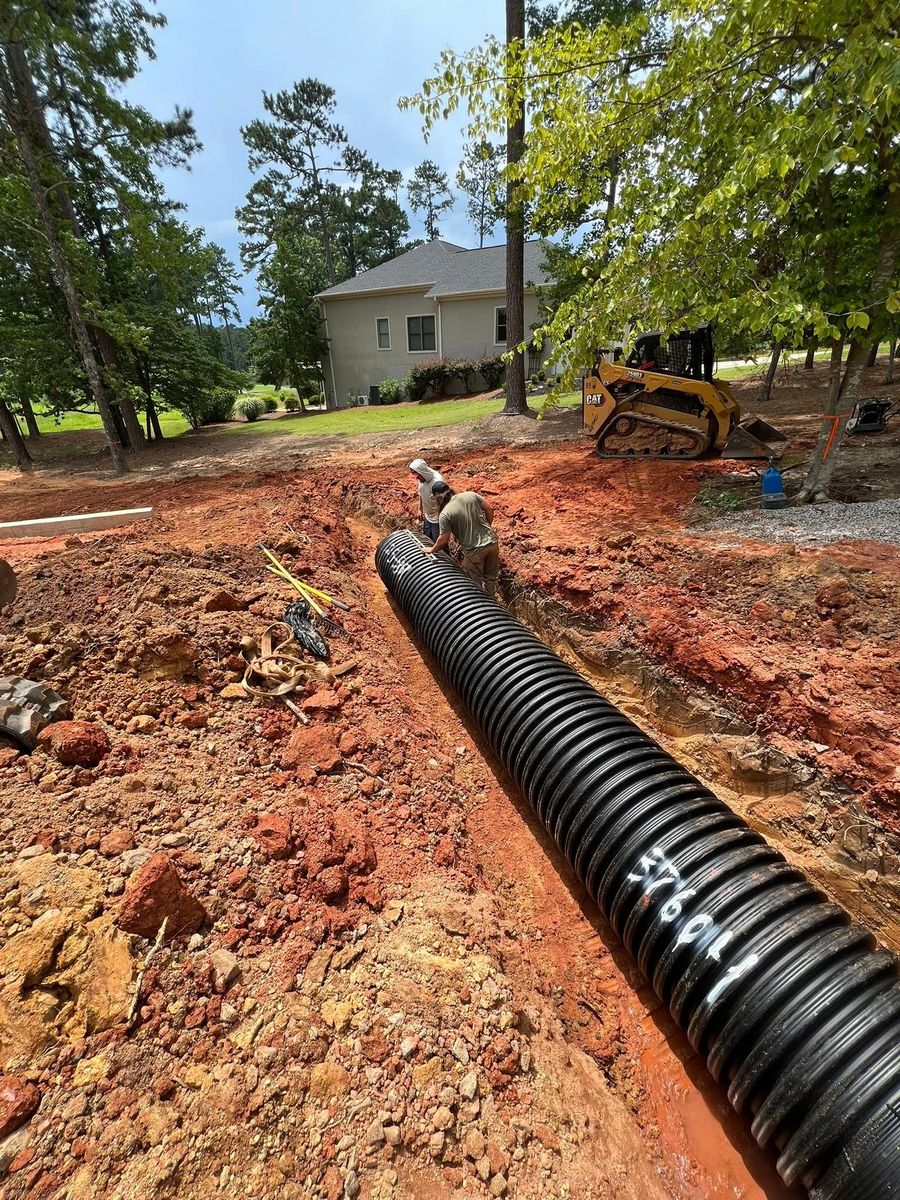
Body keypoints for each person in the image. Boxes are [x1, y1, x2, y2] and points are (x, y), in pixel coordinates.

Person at [423, 482, 500, 599]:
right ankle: (492, 604)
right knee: (490, 577)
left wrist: (432, 549)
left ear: (437, 497)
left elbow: (443, 540)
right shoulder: (470, 495)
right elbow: (489, 509)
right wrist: (488, 527)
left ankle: (480, 607)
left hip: (474, 551)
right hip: (492, 543)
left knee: (475, 583)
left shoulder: (445, 513)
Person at [408, 457, 445, 541]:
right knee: (427, 540)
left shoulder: (437, 482)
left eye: (417, 476)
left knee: (439, 546)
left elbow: (444, 502)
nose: (416, 478)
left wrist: (442, 520)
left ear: (422, 473)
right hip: (427, 517)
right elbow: (421, 493)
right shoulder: (421, 479)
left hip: (437, 520)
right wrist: (420, 509)